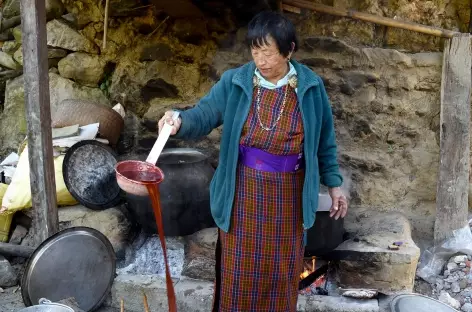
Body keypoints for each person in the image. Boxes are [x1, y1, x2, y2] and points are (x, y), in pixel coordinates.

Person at [158, 10, 348, 312]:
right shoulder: (236, 81)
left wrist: (334, 185)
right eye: (255, 51)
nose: (260, 60)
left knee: (281, 272)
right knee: (240, 273)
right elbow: (204, 114)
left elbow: (325, 141)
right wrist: (179, 119)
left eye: (268, 53)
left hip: (289, 195)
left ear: (289, 51)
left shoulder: (311, 88)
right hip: (244, 191)